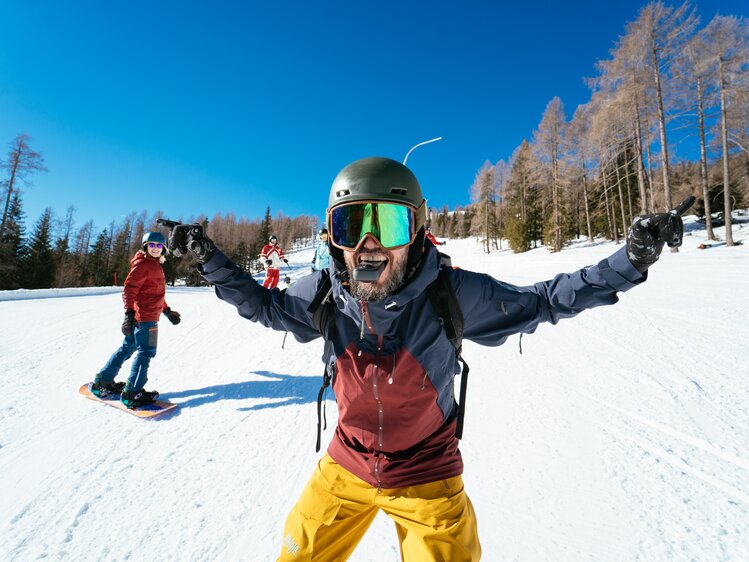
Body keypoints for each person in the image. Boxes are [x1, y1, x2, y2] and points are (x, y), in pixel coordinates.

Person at [168, 157, 687, 561]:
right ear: (332, 238)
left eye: (388, 224)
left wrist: (630, 261)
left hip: (427, 479)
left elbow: (545, 300)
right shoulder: (325, 292)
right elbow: (266, 306)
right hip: (345, 468)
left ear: (416, 232)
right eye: (352, 226)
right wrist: (211, 259)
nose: (369, 246)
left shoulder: (453, 293)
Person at [92, 231, 182, 408]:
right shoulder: (143, 265)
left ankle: (103, 381)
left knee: (127, 348)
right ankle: (133, 392)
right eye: (152, 245)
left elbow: (154, 293)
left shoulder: (153, 265)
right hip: (145, 318)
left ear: (163, 249)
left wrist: (167, 311)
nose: (155, 248)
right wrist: (129, 314)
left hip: (144, 316)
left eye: (159, 246)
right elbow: (129, 289)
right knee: (146, 352)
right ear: (145, 246)